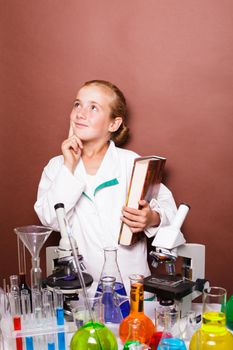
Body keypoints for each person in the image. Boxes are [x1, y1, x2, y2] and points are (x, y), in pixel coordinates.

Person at [34, 79, 177, 293]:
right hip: (82, 290)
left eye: (93, 107)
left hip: (132, 288)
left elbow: (171, 213)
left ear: (113, 124)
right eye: (77, 104)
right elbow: (51, 219)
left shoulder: (131, 163)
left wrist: (152, 218)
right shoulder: (57, 166)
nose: (80, 113)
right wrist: (69, 166)